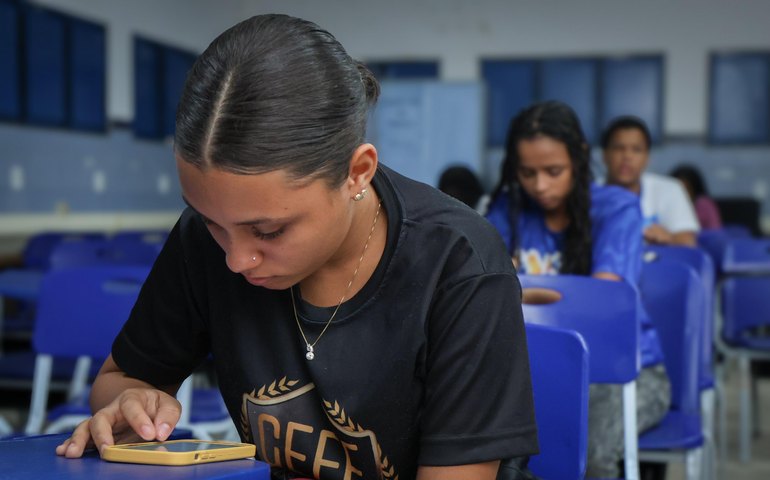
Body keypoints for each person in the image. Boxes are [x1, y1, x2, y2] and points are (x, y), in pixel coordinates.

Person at [54, 14, 538, 480]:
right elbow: (122, 378)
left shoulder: (459, 263)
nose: (236, 259)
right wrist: (132, 403)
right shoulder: (203, 241)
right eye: (211, 223)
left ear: (357, 172)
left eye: (269, 232)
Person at [486, 101, 670, 479]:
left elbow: (600, 306)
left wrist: (519, 289)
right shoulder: (508, 208)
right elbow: (482, 292)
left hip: (626, 373)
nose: (540, 186)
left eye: (554, 171)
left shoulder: (617, 208)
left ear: (580, 158)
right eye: (527, 172)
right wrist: (555, 294)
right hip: (534, 369)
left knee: (587, 449)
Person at [601, 116, 699, 246]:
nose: (627, 156)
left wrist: (669, 238)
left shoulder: (671, 189)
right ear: (605, 155)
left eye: (636, 149)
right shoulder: (587, 194)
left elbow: (689, 242)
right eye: (619, 148)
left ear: (647, 157)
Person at [670, 164, 723, 230]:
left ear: (695, 189)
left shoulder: (704, 204)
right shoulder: (668, 205)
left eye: (686, 189)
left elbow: (715, 230)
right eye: (679, 189)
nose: (682, 193)